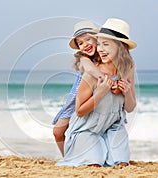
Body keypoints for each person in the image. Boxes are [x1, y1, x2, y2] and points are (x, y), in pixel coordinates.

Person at [56, 18, 137, 167]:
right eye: (99, 43)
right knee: (58, 131)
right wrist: (101, 88)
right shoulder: (88, 65)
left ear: (120, 47)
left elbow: (130, 108)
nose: (99, 48)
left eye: (104, 44)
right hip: (86, 121)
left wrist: (127, 93)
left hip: (111, 125)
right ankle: (69, 154)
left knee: (122, 164)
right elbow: (79, 111)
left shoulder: (128, 68)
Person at [52, 20, 110, 156]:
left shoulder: (105, 57)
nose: (85, 45)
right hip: (76, 100)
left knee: (91, 132)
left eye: (87, 40)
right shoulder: (82, 58)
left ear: (97, 39)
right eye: (81, 43)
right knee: (57, 132)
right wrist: (104, 80)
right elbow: (90, 69)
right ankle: (65, 156)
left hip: (96, 99)